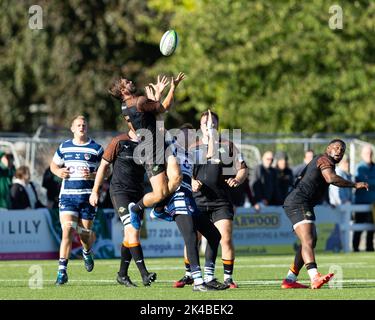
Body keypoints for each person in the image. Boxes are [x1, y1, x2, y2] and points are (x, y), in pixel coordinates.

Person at [281, 139, 368, 289]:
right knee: (308, 240)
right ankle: (314, 277)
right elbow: (330, 178)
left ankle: (289, 280)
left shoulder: (325, 161)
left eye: (342, 150)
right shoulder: (324, 159)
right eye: (337, 147)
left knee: (310, 241)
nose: (339, 151)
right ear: (328, 148)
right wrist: (354, 184)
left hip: (302, 202)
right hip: (298, 202)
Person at [175, 110, 248, 289]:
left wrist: (238, 178)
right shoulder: (192, 147)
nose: (209, 127)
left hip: (220, 201)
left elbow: (243, 168)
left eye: (213, 123)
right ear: (200, 127)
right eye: (205, 124)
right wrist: (191, 181)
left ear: (217, 125)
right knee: (193, 238)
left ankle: (228, 278)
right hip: (196, 200)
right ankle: (189, 274)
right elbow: (184, 170)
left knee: (225, 238)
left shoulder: (228, 145)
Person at [150, 123, 227, 291]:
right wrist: (156, 107)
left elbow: (211, 154)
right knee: (191, 238)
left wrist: (211, 131)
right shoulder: (171, 148)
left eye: (193, 135)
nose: (191, 137)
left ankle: (208, 277)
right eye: (187, 134)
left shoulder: (191, 154)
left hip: (189, 200)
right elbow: (159, 130)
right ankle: (198, 282)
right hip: (176, 198)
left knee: (214, 235)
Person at [108, 73, 185, 230]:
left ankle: (158, 209)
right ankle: (137, 208)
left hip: (160, 144)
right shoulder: (139, 101)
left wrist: (156, 95)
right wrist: (173, 87)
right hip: (151, 151)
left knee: (177, 178)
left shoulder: (125, 108)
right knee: (159, 193)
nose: (131, 81)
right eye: (127, 82)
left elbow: (151, 116)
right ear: (123, 90)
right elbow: (163, 108)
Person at [89, 130, 157, 287]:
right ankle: (144, 274)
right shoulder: (119, 141)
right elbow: (103, 166)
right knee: (132, 230)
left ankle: (122, 275)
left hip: (138, 194)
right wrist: (95, 191)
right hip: (120, 192)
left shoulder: (148, 144)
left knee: (130, 236)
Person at [50, 115, 103, 285]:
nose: (81, 127)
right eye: (78, 125)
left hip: (88, 198)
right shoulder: (64, 147)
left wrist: (94, 175)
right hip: (68, 197)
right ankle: (62, 271)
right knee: (67, 231)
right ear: (72, 128)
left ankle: (87, 252)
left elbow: (107, 171)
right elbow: (53, 165)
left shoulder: (96, 148)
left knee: (84, 235)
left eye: (84, 125)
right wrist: (58, 172)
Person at [353, 144, 375, 252]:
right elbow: (361, 181)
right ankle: (355, 248)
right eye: (367, 153)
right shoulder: (359, 167)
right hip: (360, 202)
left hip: (373, 203)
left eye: (371, 153)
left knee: (372, 227)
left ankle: (369, 247)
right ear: (362, 154)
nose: (369, 155)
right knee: (358, 227)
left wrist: (369, 181)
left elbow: (367, 182)